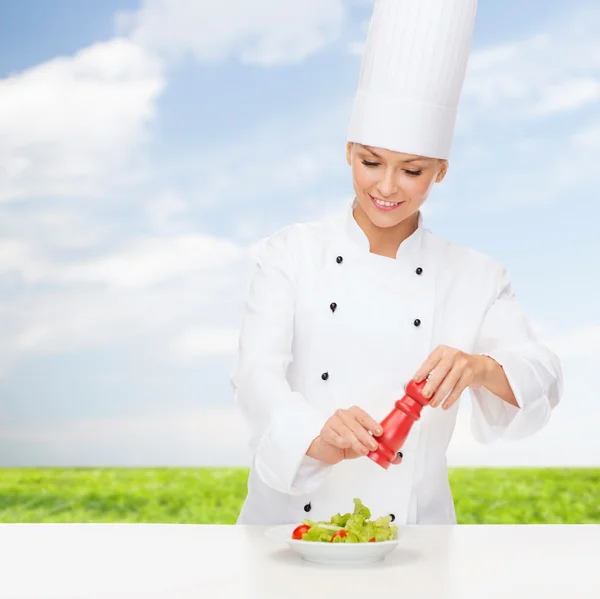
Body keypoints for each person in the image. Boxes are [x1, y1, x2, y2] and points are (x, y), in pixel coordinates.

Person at [231, 0, 563, 526]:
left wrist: (478, 368)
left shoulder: (476, 275)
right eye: (370, 162)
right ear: (347, 151)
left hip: (415, 537)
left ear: (441, 171)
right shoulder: (289, 254)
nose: (386, 188)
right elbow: (254, 376)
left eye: (411, 170)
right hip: (286, 525)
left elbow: (542, 377)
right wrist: (313, 435)